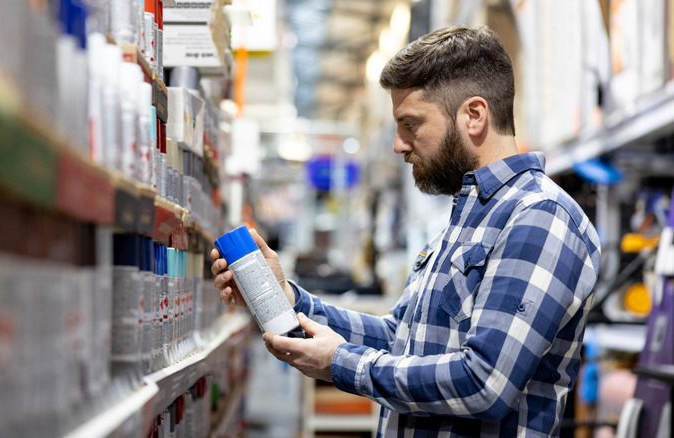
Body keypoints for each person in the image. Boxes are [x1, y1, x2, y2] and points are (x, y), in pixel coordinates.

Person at [212, 25, 600, 437]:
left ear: (474, 115)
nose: (398, 144)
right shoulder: (467, 218)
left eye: (410, 124)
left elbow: (485, 383)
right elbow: (401, 339)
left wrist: (341, 363)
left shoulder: (539, 216)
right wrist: (288, 300)